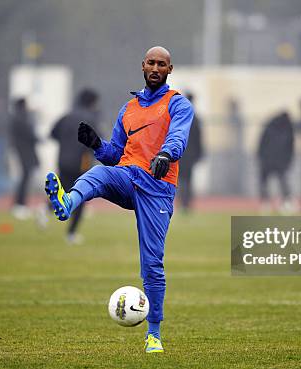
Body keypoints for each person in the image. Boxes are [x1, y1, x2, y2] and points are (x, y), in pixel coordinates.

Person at [44, 46, 193, 353]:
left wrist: (166, 153)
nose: (155, 67)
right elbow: (115, 155)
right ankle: (67, 203)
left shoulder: (177, 104)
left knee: (152, 264)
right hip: (127, 176)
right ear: (142, 66)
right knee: (98, 175)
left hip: (157, 189)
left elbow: (177, 136)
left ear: (169, 69)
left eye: (161, 64)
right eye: (151, 62)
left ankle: (154, 334)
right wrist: (97, 144)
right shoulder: (129, 108)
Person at [50, 88, 100, 243]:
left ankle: (44, 211)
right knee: (81, 194)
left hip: (63, 159)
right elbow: (97, 141)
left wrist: (66, 143)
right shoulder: (91, 118)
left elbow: (52, 133)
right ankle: (71, 234)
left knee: (61, 189)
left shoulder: (67, 116)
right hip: (81, 162)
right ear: (92, 102)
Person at [257, 111, 294, 212]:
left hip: (273, 161)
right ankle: (268, 202)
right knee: (269, 183)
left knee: (279, 183)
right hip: (271, 160)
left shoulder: (272, 127)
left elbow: (261, 144)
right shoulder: (285, 129)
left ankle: (284, 202)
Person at [9, 98, 39, 219]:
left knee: (25, 177)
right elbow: (30, 133)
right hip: (25, 152)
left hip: (22, 151)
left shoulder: (16, 117)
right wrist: (39, 139)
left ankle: (19, 204)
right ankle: (20, 205)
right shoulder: (21, 118)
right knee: (25, 177)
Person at [177, 92, 203, 212]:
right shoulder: (195, 118)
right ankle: (186, 204)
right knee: (187, 180)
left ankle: (182, 204)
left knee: (180, 180)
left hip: (180, 154)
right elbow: (199, 139)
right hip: (190, 155)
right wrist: (200, 154)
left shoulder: (179, 117)